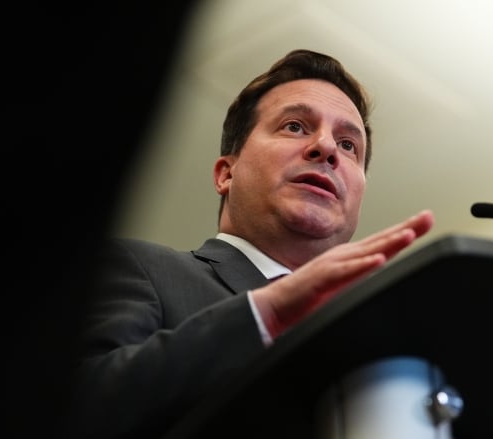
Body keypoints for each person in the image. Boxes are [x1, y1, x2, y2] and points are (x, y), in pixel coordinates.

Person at [66, 49, 435, 438]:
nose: (326, 148)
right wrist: (264, 314)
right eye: (295, 126)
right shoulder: (140, 267)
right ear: (227, 173)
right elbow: (70, 408)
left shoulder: (379, 343)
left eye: (348, 146)